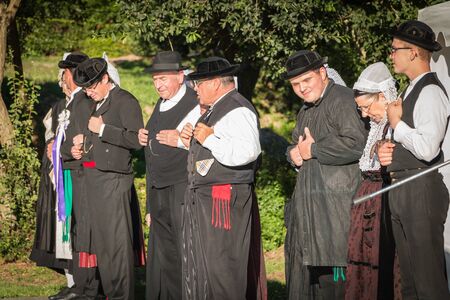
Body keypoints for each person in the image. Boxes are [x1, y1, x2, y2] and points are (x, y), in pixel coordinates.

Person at [179, 56, 266, 299]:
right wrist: (193, 143)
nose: (196, 89)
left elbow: (247, 152)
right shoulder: (217, 108)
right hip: (208, 197)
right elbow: (215, 154)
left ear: (216, 82)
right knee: (209, 265)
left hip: (223, 199)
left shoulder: (237, 109)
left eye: (200, 83)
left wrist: (208, 138)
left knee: (224, 266)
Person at [283, 50, 367, 299]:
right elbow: (297, 145)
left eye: (306, 80)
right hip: (312, 212)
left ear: (322, 73)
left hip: (336, 214)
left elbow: (357, 143)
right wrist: (293, 155)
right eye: (295, 84)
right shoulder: (306, 109)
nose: (301, 88)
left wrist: (314, 149)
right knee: (317, 286)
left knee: (337, 284)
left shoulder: (341, 99)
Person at [378, 20, 450, 299]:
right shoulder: (409, 89)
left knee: (428, 280)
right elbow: (409, 141)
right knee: (408, 279)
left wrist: (398, 124)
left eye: (395, 49)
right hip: (403, 188)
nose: (391, 54)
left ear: (414, 52)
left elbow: (428, 148)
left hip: (421, 190)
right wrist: (387, 148)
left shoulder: (430, 91)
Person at [72, 57, 145, 299]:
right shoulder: (95, 101)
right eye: (85, 89)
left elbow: (135, 140)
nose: (89, 93)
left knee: (117, 247)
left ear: (105, 79)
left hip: (114, 182)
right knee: (103, 247)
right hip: (94, 178)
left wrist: (103, 130)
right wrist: (82, 146)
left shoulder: (125, 100)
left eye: (92, 87)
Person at [137, 51, 201, 300]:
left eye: (163, 78)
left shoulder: (195, 104)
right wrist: (150, 206)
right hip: (160, 192)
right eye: (155, 80)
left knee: (184, 254)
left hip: (182, 189)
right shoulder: (160, 104)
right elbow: (152, 159)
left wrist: (183, 140)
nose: (158, 84)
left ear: (180, 76)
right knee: (165, 257)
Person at [346, 62, 399, 300]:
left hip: (384, 201)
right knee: (363, 262)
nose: (365, 115)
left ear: (382, 96)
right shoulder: (375, 127)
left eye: (366, 107)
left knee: (382, 260)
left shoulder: (396, 123)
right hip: (369, 200)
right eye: (361, 110)